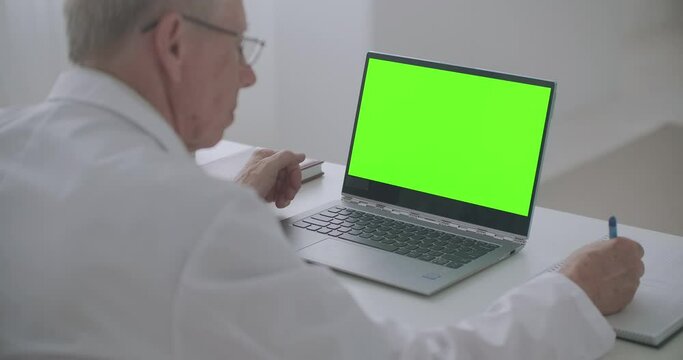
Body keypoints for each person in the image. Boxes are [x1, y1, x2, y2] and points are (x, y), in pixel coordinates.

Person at [0, 0, 645, 359]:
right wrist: (571, 293)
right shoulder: (200, 228)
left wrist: (222, 206)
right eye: (238, 46)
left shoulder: (13, 145)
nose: (248, 77)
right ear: (173, 44)